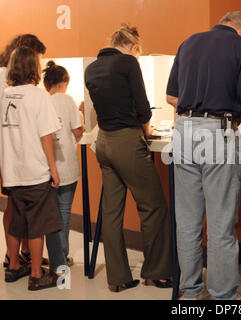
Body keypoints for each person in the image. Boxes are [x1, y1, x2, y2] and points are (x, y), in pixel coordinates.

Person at [166, 11, 241, 300]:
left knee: (188, 219)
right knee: (220, 222)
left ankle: (191, 291)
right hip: (219, 131)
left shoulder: (188, 42)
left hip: (183, 131)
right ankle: (223, 296)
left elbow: (171, 97)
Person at [85, 25, 172, 292]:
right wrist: (147, 129)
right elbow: (142, 104)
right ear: (134, 47)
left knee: (111, 212)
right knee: (153, 206)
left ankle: (118, 278)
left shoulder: (92, 68)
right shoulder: (128, 64)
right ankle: (156, 272)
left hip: (104, 143)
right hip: (127, 141)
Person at [0, 46, 62, 290]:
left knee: (15, 221)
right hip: (34, 171)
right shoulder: (39, 96)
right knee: (37, 224)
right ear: (32, 67)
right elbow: (46, 136)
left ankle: (14, 266)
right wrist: (53, 169)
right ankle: (37, 274)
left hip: (11, 172)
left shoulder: (5, 94)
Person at [0, 34, 49, 269]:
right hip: (11, 153)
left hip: (12, 154)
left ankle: (23, 254)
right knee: (14, 207)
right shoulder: (5, 79)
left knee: (16, 205)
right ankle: (14, 256)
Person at [43, 60, 84, 269]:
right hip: (67, 164)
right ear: (65, 82)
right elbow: (78, 131)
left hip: (47, 167)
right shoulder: (68, 101)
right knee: (65, 211)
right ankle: (62, 257)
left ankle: (54, 257)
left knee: (50, 214)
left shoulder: (43, 101)